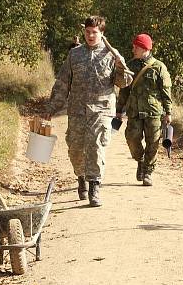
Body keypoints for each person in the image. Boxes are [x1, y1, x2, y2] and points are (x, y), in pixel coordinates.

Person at [44, 16, 132, 207]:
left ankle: (94, 186)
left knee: (96, 145)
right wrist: (52, 107)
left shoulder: (111, 55)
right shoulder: (75, 55)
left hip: (101, 110)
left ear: (102, 33)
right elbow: (62, 82)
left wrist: (120, 67)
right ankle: (81, 177)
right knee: (75, 148)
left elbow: (123, 83)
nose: (91, 36)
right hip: (77, 109)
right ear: (84, 32)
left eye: (95, 32)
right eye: (88, 32)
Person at [116, 33, 172, 186]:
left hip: (153, 113)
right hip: (134, 111)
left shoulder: (159, 67)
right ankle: (140, 160)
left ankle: (147, 172)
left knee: (152, 143)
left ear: (144, 48)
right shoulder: (131, 65)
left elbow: (166, 92)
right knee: (132, 139)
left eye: (136, 46)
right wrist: (119, 110)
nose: (133, 49)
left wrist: (168, 112)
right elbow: (124, 90)